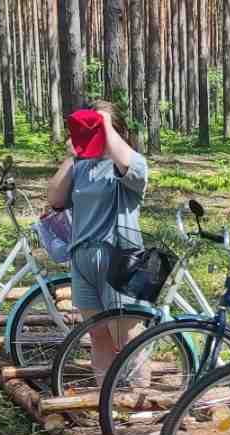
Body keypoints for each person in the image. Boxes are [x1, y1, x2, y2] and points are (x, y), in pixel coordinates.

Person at [46, 101, 149, 379]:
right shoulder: (82, 167)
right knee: (98, 333)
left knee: (127, 336)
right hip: (83, 258)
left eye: (100, 127)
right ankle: (105, 397)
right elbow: (55, 198)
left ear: (116, 130)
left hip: (119, 256)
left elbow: (129, 164)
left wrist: (104, 123)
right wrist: (72, 155)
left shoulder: (129, 162)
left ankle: (143, 399)